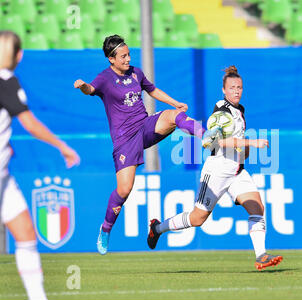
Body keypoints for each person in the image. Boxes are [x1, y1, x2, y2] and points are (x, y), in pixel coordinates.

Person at [73, 34, 217, 255]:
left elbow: (152, 90)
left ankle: (207, 137)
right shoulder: (104, 78)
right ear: (111, 59)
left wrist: (174, 102)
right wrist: (83, 85)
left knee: (174, 115)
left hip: (145, 126)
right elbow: (91, 90)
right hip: (125, 140)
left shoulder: (136, 73)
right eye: (123, 56)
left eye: (129, 54)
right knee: (124, 189)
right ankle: (105, 229)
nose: (128, 59)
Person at [147, 66, 283, 271]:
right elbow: (217, 142)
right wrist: (251, 143)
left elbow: (236, 143)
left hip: (237, 171)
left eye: (240, 87)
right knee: (197, 218)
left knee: (257, 207)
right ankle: (157, 228)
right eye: (232, 88)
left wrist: (244, 150)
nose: (237, 91)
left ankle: (261, 256)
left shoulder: (239, 110)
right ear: (224, 90)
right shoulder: (222, 111)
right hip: (217, 169)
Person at [0, 30, 80, 299]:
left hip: (3, 179)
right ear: (19, 56)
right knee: (26, 238)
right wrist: (63, 147)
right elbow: (30, 124)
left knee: (26, 236)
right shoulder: (6, 82)